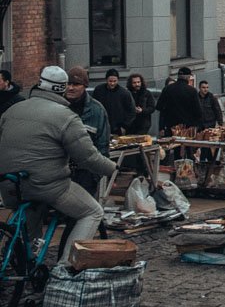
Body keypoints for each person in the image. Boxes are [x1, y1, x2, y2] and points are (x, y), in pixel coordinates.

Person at [0, 66, 118, 253]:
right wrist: (113, 168)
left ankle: (22, 260)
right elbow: (87, 156)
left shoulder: (13, 109)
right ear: (61, 88)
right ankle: (66, 266)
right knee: (92, 212)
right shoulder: (66, 116)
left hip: (9, 184)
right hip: (47, 185)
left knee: (28, 218)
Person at [157, 67, 202, 153]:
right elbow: (198, 112)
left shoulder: (167, 89)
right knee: (187, 150)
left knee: (172, 150)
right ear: (188, 77)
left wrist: (162, 126)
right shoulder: (192, 91)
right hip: (187, 127)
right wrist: (197, 125)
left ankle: (174, 165)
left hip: (170, 126)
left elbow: (160, 107)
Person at [92, 69, 135, 135]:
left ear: (118, 80)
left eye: (115, 81)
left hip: (118, 127)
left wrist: (125, 126)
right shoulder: (98, 90)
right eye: (110, 81)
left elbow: (131, 110)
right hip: (101, 125)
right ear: (106, 80)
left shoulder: (124, 93)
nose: (112, 83)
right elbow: (93, 106)